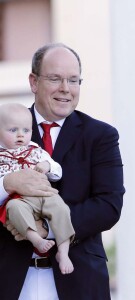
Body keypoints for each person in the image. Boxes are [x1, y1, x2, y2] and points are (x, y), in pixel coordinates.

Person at [0, 43, 125, 300]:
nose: (65, 89)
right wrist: (7, 183)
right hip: (9, 278)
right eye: (55, 78)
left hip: (78, 280)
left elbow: (108, 206)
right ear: (34, 82)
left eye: (73, 80)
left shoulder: (100, 135)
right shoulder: (4, 128)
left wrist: (46, 228)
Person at [0, 103, 75, 275]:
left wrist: (46, 165)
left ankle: (63, 252)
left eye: (26, 130)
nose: (21, 135)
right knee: (14, 209)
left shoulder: (35, 149)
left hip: (44, 195)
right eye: (13, 130)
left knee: (61, 208)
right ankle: (36, 239)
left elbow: (57, 171)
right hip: (19, 199)